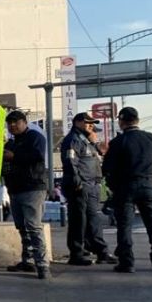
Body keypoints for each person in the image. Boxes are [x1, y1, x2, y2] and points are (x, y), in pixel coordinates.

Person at [102, 106, 152, 273]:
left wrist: (115, 186)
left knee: (124, 225)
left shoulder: (118, 142)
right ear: (138, 121)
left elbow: (107, 168)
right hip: (148, 185)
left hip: (125, 187)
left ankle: (127, 262)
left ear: (121, 122)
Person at [60, 112, 116, 266]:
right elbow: (70, 162)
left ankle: (101, 251)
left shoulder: (86, 140)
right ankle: (77, 253)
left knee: (93, 220)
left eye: (92, 123)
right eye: (87, 122)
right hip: (81, 185)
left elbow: (95, 159)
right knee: (79, 220)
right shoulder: (73, 140)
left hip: (92, 184)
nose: (91, 125)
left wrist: (96, 145)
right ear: (77, 122)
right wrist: (77, 181)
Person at [2, 110, 50, 279]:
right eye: (10, 123)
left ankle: (42, 265)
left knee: (34, 227)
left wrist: (14, 156)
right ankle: (27, 260)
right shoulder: (11, 142)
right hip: (15, 189)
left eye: (16, 122)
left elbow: (37, 156)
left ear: (24, 122)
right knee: (22, 227)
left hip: (32, 188)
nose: (13, 126)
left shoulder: (35, 137)